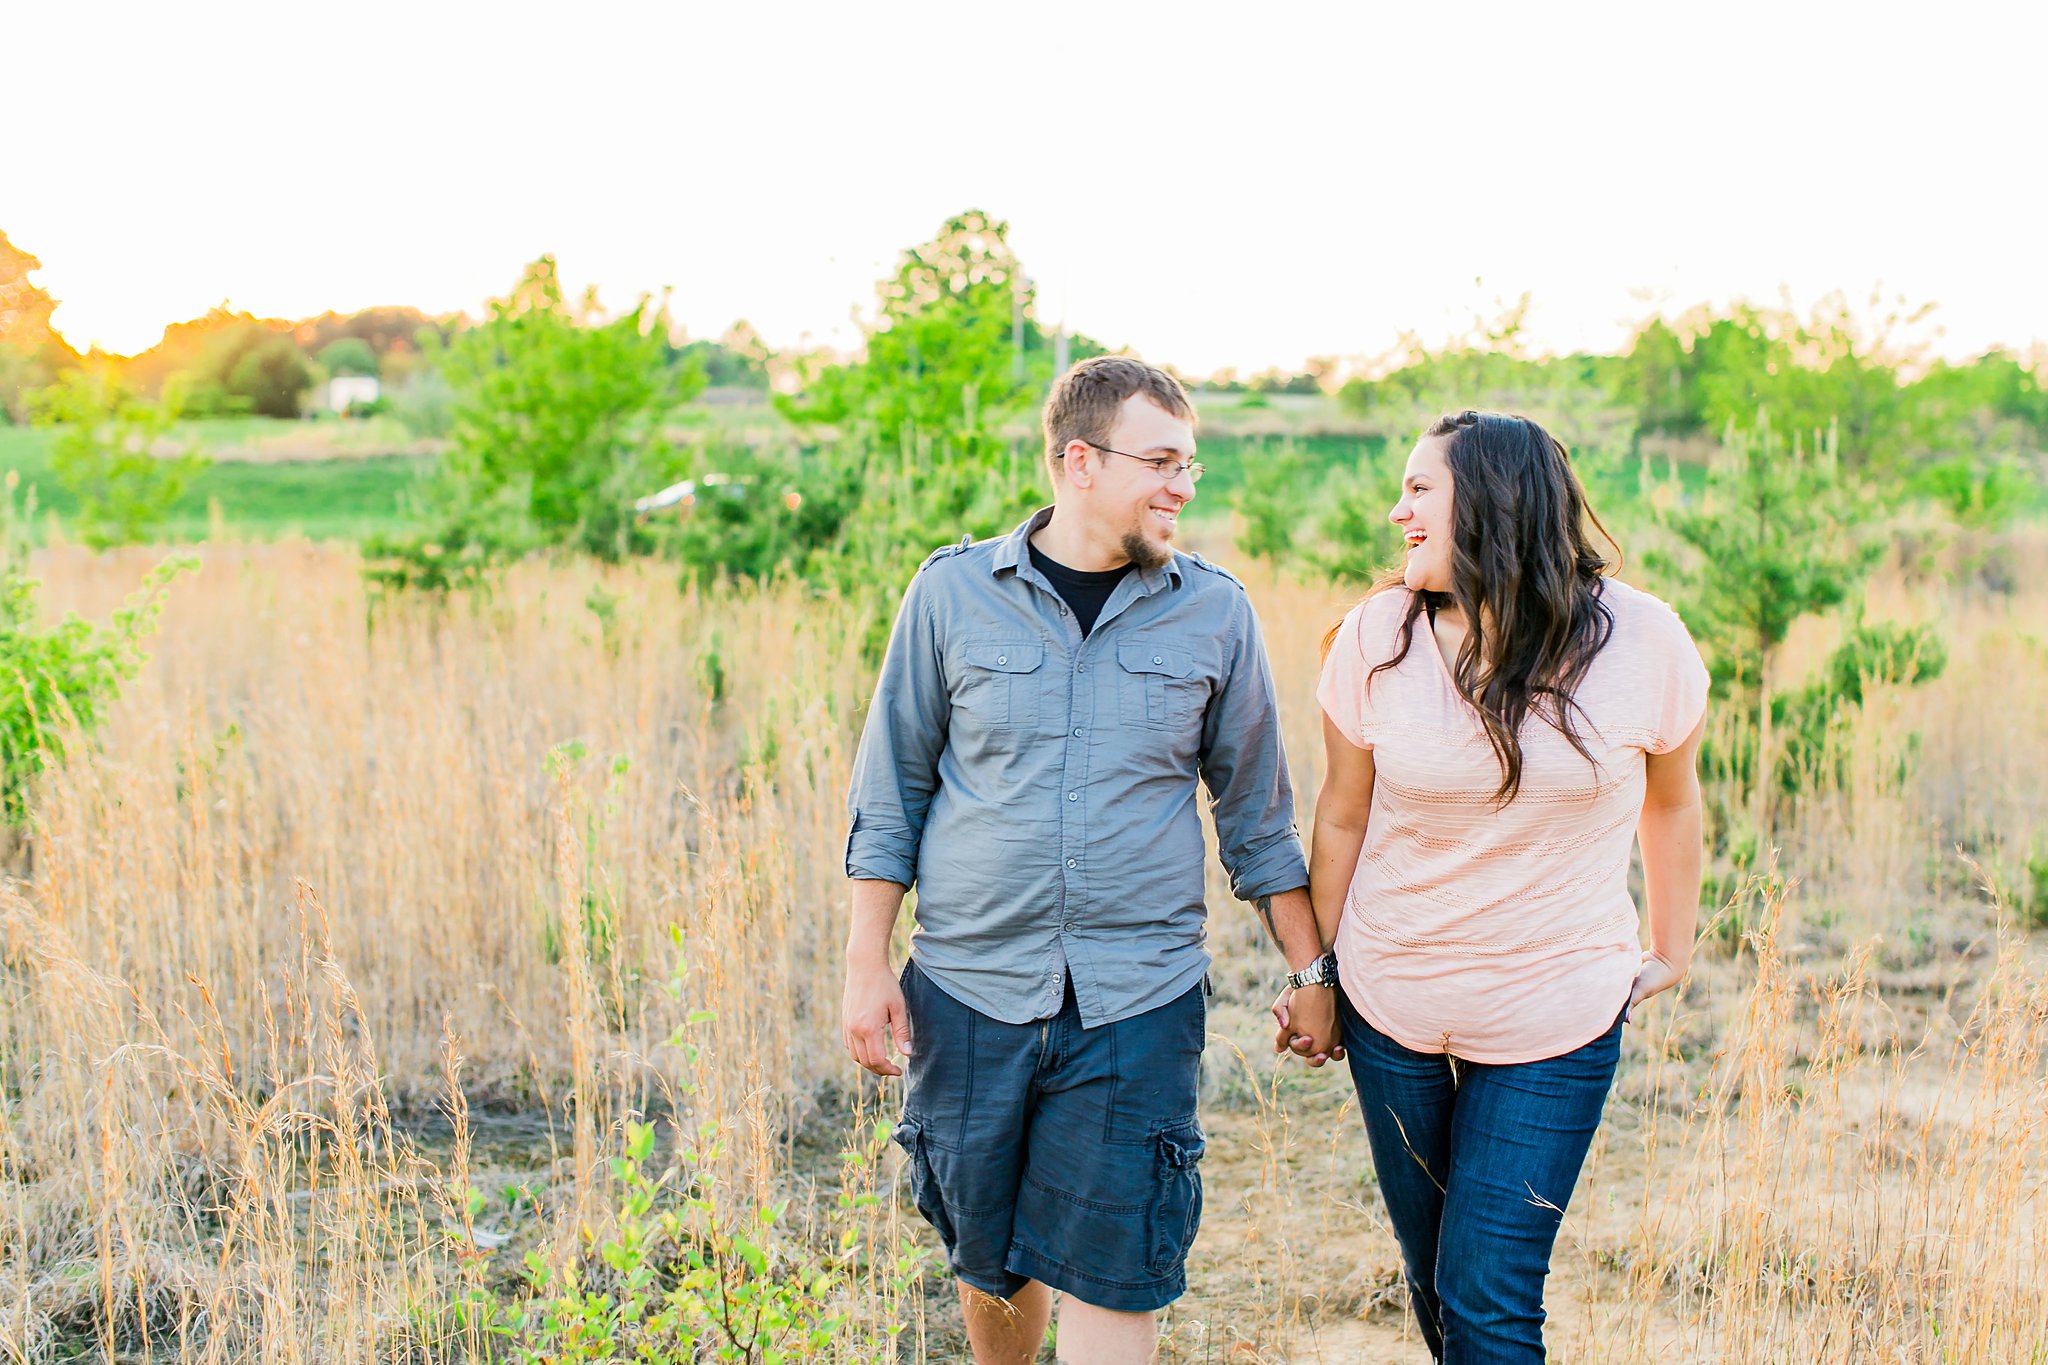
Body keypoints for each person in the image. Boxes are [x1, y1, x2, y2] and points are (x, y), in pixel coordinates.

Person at [843, 356, 1332, 1365]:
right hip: (969, 989)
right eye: (1159, 461)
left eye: (1189, 465)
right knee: (988, 1257)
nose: (1182, 487)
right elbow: (890, 791)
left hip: (1137, 1000)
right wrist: (863, 965)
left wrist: (1310, 972)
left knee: (1118, 1261)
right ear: (1077, 460)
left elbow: (1258, 819)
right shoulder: (948, 596)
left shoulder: (1213, 612)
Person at [1277, 409, 1708, 1363]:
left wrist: (1672, 945)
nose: (1398, 511)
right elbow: (1342, 813)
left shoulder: (1644, 639)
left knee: (1489, 1292)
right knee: (1438, 1279)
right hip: (1394, 1003)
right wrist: (1316, 976)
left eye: (1419, 488)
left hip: (1557, 1012)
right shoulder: (1375, 637)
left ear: (1493, 501)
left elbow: (1672, 804)